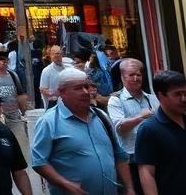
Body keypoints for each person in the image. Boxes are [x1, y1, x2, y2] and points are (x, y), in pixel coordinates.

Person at [30, 67, 133, 195]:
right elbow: (39, 162)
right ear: (62, 92)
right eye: (78, 88)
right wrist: (66, 184)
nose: (85, 92)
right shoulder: (49, 122)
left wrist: (129, 188)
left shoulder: (101, 116)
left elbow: (120, 155)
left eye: (86, 86)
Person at [132, 70, 186, 195]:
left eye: (185, 93)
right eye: (177, 94)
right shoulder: (149, 129)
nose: (184, 99)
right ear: (160, 96)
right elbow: (146, 173)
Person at [106, 57, 155, 192]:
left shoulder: (151, 98)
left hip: (153, 154)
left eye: (138, 75)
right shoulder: (116, 100)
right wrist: (141, 117)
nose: (136, 78)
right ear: (122, 78)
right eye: (131, 75)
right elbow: (120, 128)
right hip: (131, 158)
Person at [0, 49, 30, 152]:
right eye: (0, 59)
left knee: (20, 145)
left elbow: (20, 94)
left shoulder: (13, 75)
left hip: (14, 116)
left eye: (5, 59)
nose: (3, 62)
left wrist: (24, 111)